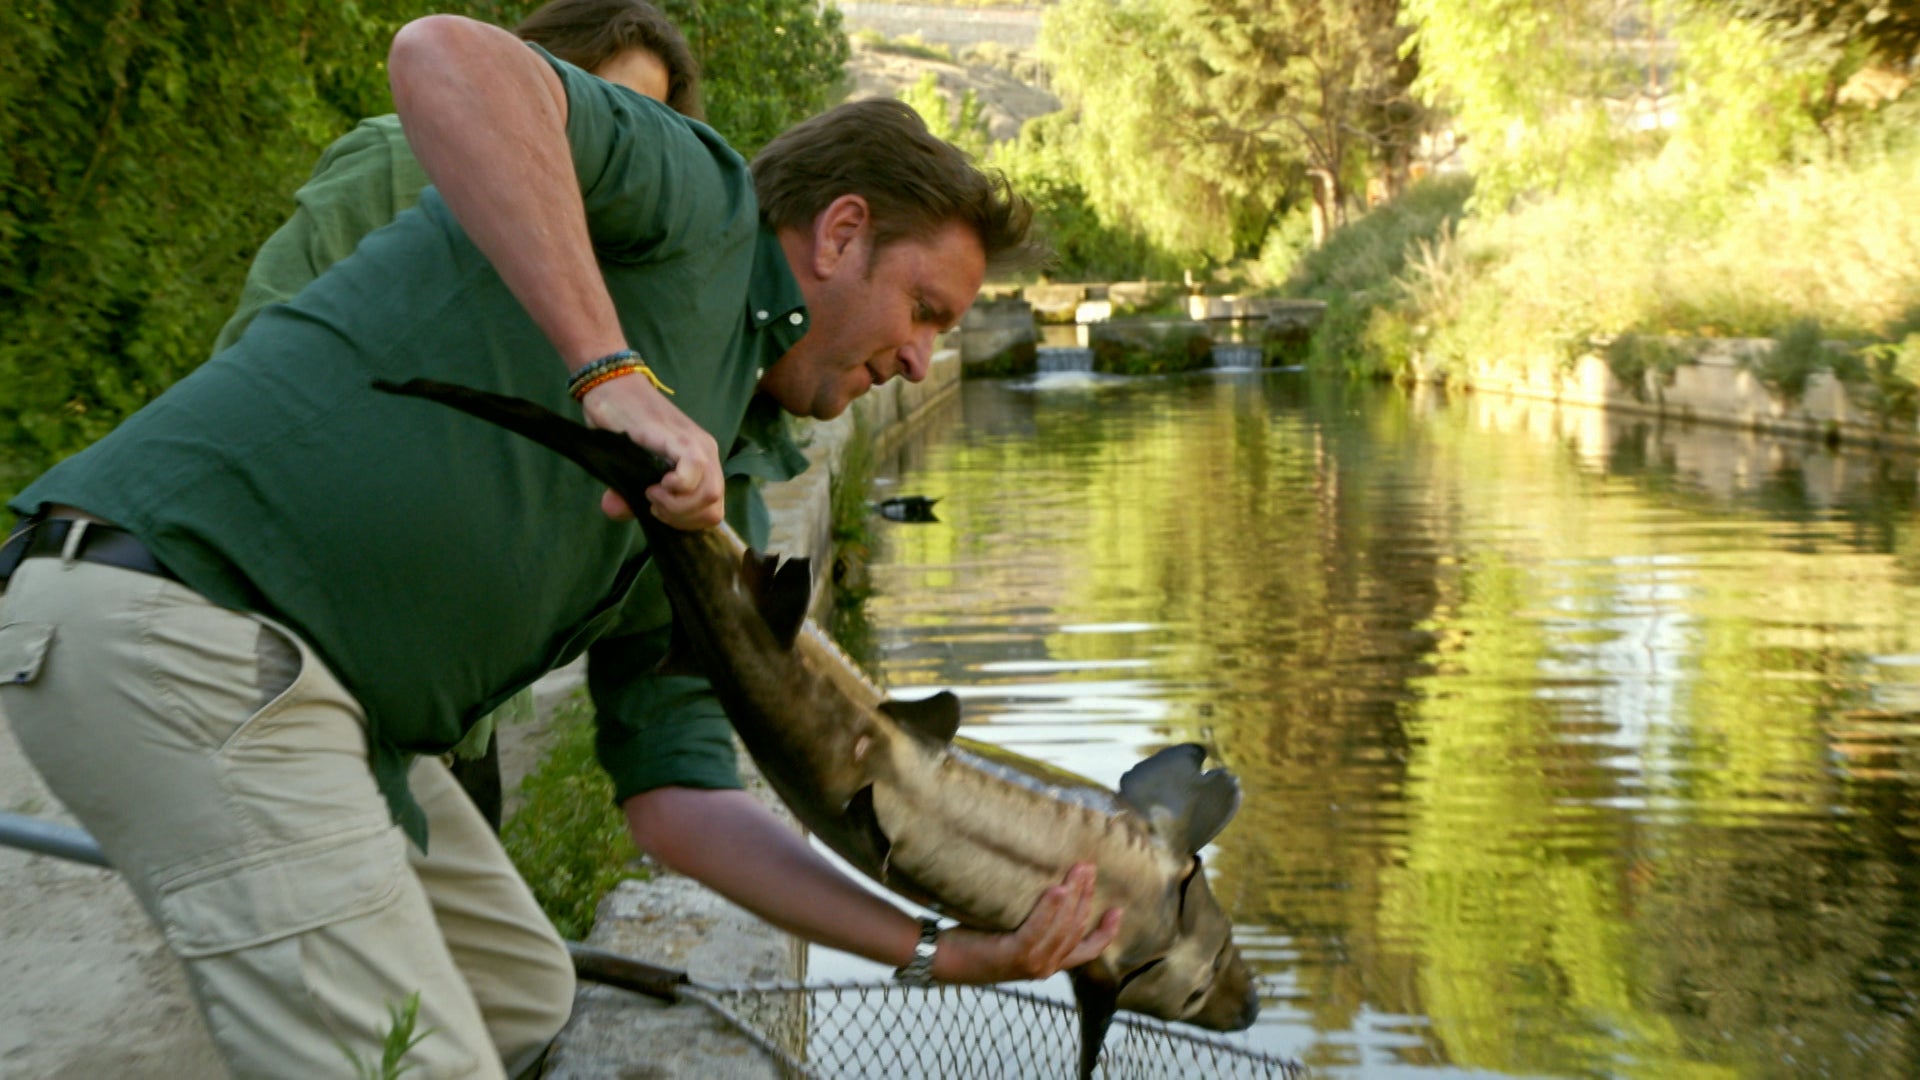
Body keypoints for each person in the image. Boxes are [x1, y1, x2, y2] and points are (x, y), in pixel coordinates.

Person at [0, 14, 1120, 1080]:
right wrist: (610, 371)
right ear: (839, 233)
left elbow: (680, 800)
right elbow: (444, 59)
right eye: (924, 309)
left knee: (520, 993)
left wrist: (936, 948)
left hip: (334, 704)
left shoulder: (722, 486)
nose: (925, 361)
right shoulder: (698, 201)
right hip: (179, 619)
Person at [211, 0, 715, 833]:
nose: (608, 135)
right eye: (592, 97)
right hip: (306, 661)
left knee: (479, 958)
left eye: (638, 123)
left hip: (454, 718)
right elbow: (252, 358)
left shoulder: (617, 266)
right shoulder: (390, 159)